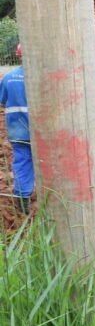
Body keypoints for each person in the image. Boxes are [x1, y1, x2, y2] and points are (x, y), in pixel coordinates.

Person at [1, 45, 33, 214]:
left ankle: (22, 201)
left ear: (18, 55)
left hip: (18, 131)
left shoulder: (9, 78)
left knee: (22, 162)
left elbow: (3, 101)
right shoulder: (42, 77)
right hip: (43, 132)